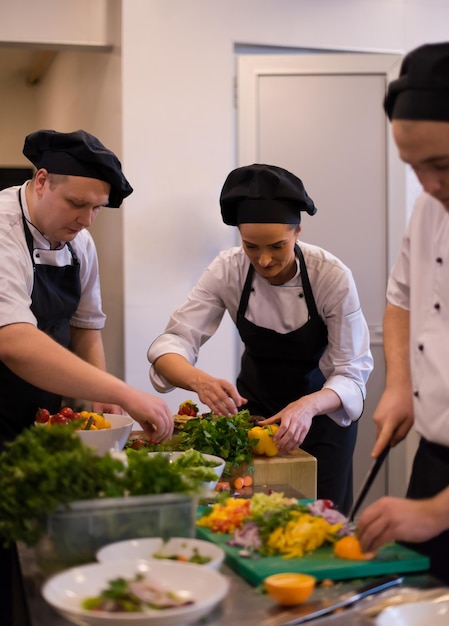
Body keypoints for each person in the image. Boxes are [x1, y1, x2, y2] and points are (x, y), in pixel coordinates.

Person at [0, 129, 174, 626]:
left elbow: (85, 328)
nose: (86, 219)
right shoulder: (1, 229)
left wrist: (100, 408)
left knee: (42, 549)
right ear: (40, 181)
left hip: (45, 419)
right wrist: (122, 391)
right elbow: (13, 340)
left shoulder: (82, 244)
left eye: (97, 208)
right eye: (77, 204)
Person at [148, 163, 373, 514]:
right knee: (249, 517)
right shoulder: (228, 269)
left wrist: (307, 406)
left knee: (320, 523)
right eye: (251, 246)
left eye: (277, 246)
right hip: (255, 419)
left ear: (298, 232)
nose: (264, 260)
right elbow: (172, 343)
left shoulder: (331, 276)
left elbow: (351, 372)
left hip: (322, 422)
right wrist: (200, 381)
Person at [356, 42, 449, 585]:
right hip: (435, 459)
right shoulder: (427, 205)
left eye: (442, 165)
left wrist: (436, 514)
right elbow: (403, 300)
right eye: (415, 168)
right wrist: (399, 384)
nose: (431, 186)